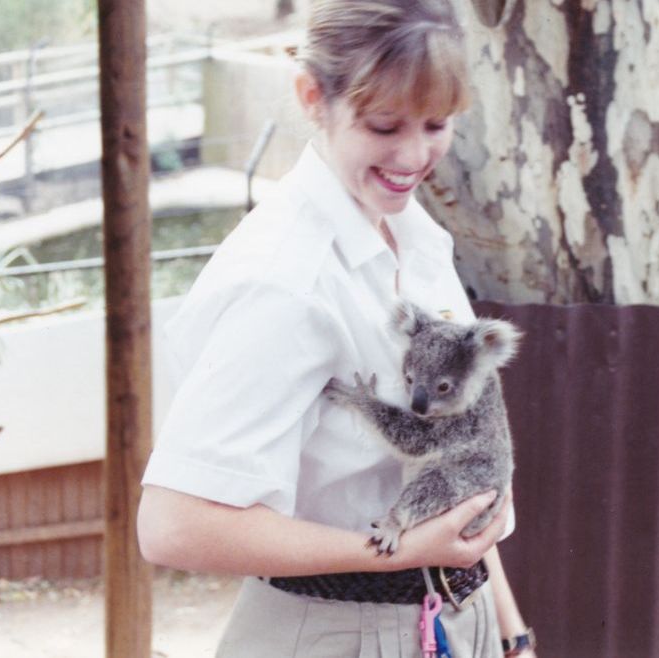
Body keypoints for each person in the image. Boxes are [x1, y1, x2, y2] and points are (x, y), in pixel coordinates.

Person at [136, 1, 537, 656]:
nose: (414, 154)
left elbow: (460, 468)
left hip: (457, 619)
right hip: (339, 627)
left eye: (437, 122)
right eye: (384, 126)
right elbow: (173, 527)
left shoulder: (413, 234)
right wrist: (392, 549)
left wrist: (512, 635)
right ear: (311, 97)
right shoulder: (285, 279)